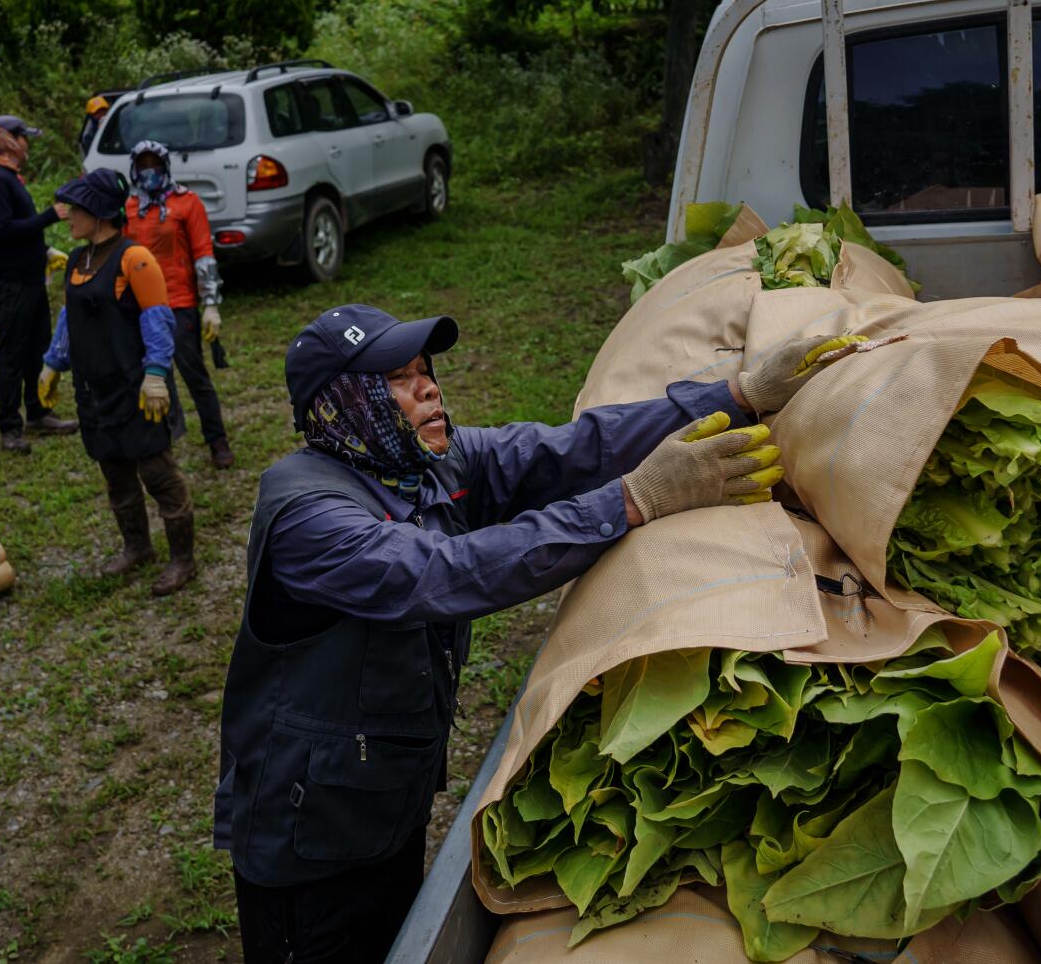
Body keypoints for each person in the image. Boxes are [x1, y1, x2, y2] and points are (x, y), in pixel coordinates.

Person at [213, 305, 875, 962]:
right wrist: (633, 500)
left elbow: (567, 450)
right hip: (307, 834)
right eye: (398, 379)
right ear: (341, 403)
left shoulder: (420, 461)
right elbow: (447, 571)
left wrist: (737, 393)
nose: (429, 387)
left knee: (391, 936)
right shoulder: (307, 516)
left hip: (378, 799)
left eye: (425, 370)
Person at [40, 168, 199, 595]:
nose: (68, 216)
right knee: (116, 475)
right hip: (94, 391)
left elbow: (158, 320)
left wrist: (155, 376)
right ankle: (137, 548)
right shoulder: (78, 259)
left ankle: (182, 560)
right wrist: (53, 363)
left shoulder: (135, 258)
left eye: (76, 209)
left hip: (136, 389)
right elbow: (69, 318)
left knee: (158, 474)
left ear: (99, 212)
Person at [124, 139, 233, 469]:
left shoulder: (186, 202)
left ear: (165, 165)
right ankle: (166, 438)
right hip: (141, 307)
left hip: (179, 302)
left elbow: (203, 253)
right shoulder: (127, 208)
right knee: (154, 375)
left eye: (153, 163)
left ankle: (217, 440)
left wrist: (210, 303)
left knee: (194, 375)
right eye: (141, 164)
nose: (148, 171)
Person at [0, 114, 76, 452]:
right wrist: (49, 216)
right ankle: (9, 427)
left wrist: (43, 250)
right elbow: (2, 230)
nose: (28, 145)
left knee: (37, 347)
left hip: (30, 279)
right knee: (13, 354)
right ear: (10, 140)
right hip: (11, 283)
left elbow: (14, 228)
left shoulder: (7, 177)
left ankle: (38, 412)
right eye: (25, 138)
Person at [78, 94, 110, 160]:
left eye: (103, 110)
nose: (102, 114)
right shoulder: (89, 136)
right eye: (97, 112)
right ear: (91, 116)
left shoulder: (116, 126)